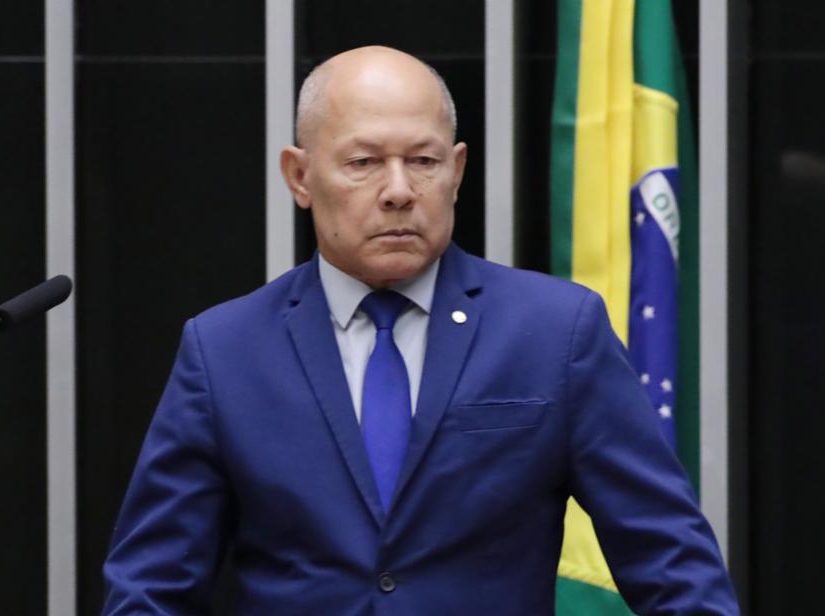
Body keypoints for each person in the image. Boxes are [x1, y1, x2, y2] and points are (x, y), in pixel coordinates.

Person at [102, 45, 739, 615]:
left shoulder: (554, 332)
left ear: (457, 170)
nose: (399, 190)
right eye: (364, 162)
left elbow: (673, 567)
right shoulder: (226, 351)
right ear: (299, 176)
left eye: (424, 160)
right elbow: (151, 590)